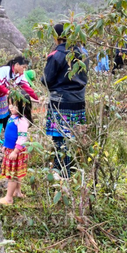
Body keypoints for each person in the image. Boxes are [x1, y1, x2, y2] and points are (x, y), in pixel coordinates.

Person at [41, 23, 88, 178]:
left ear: (57, 37)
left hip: (61, 102)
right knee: (72, 138)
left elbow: (47, 80)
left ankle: (63, 172)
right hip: (79, 101)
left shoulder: (56, 55)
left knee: (60, 138)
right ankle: (67, 169)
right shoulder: (83, 53)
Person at [0, 56, 37, 147]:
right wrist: (10, 93)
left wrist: (36, 97)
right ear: (16, 65)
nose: (24, 70)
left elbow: (26, 87)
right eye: (23, 67)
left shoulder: (20, 75)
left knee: (2, 115)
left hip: (2, 94)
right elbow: (0, 85)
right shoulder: (3, 70)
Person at [0, 94, 33, 205]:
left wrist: (15, 151)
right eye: (10, 104)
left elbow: (22, 138)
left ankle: (8, 198)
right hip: (10, 149)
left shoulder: (22, 120)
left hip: (15, 151)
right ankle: (17, 192)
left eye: (15, 105)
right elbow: (9, 134)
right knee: (16, 173)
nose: (11, 107)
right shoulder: (13, 117)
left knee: (12, 175)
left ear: (23, 105)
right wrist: (5, 145)